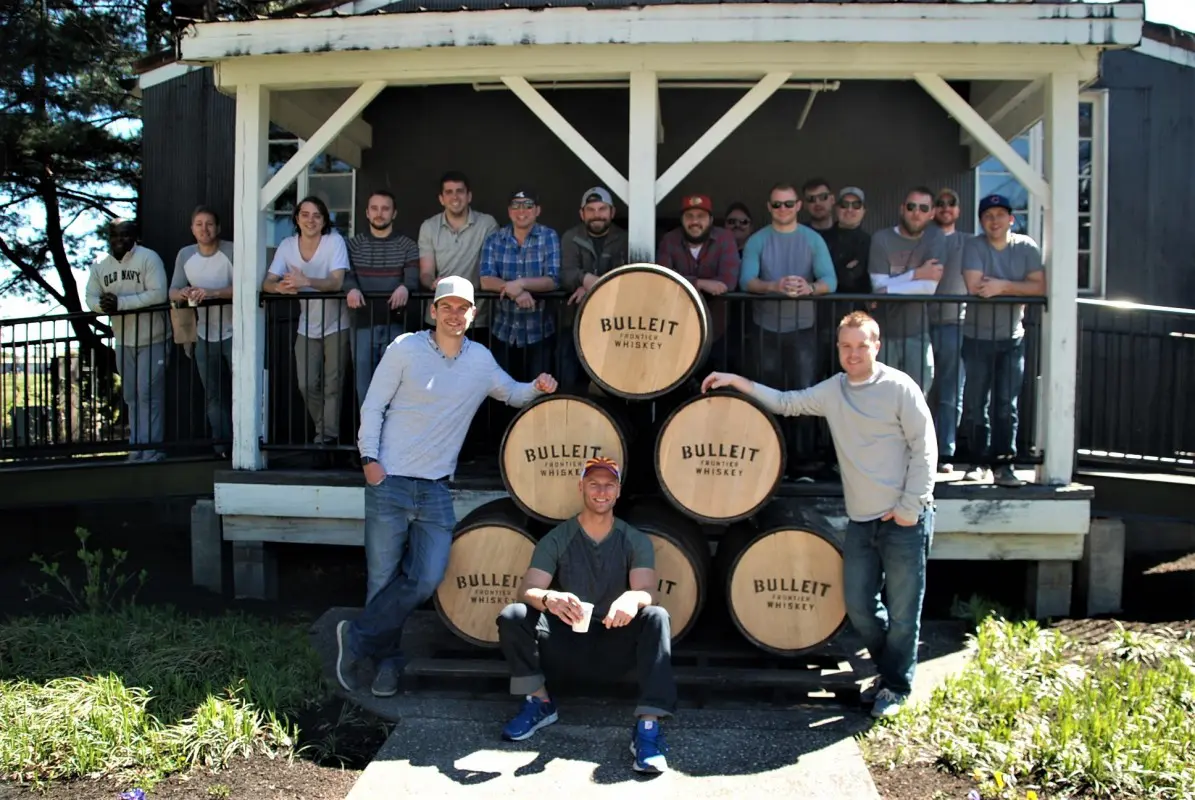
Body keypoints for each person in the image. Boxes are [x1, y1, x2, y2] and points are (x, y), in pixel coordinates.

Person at [701, 310, 936, 718]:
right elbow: (786, 403)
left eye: (862, 345)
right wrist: (737, 381)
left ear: (877, 346)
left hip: (905, 520)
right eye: (846, 346)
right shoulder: (835, 390)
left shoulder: (900, 388)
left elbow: (925, 448)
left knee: (903, 613)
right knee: (860, 606)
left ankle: (896, 686)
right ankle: (890, 670)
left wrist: (909, 508)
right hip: (863, 521)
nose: (853, 353)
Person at [336, 275, 558, 698]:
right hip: (390, 481)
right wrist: (369, 461)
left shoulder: (480, 361)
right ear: (433, 311)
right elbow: (373, 404)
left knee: (426, 577)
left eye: (463, 308)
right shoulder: (405, 349)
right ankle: (387, 664)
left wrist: (537, 387)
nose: (454, 315)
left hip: (436, 488)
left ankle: (358, 638)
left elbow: (510, 393)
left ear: (474, 314)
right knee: (382, 581)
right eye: (447, 307)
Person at [496, 456, 675, 775]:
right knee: (513, 615)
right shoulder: (558, 537)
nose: (601, 491)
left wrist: (633, 599)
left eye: (609, 485)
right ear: (581, 487)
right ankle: (540, 702)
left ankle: (647, 730)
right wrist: (550, 598)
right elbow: (528, 589)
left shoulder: (633, 539)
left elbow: (649, 589)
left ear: (618, 491)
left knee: (656, 616)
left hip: (614, 645)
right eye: (594, 483)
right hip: (567, 642)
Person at [961, 194, 1046, 487]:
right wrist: (1017, 288)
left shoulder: (1026, 247)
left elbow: (1040, 287)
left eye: (1000, 214)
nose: (994, 220)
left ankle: (1004, 465)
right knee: (975, 404)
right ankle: (978, 462)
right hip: (975, 337)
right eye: (987, 215)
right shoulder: (973, 245)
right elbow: (975, 286)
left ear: (1011, 219)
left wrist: (1002, 286)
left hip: (1012, 338)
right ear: (981, 221)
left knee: (1006, 404)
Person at [262, 195, 351, 453]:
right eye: (305, 214)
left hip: (337, 323)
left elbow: (336, 282)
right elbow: (267, 282)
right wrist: (279, 287)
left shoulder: (334, 242)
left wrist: (306, 282)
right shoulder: (288, 245)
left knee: (333, 384)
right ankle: (325, 430)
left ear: (324, 221)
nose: (310, 220)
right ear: (297, 219)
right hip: (306, 325)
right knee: (306, 383)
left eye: (317, 215)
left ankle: (325, 438)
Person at [85, 219, 170, 462]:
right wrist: (102, 307)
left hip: (153, 337)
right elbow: (90, 296)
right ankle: (137, 447)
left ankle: (153, 448)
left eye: (125, 235)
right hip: (123, 340)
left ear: (135, 237)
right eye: (114, 235)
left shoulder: (148, 258)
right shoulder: (100, 264)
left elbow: (158, 293)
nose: (119, 240)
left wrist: (121, 304)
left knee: (149, 393)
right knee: (131, 395)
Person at [344, 189, 421, 408]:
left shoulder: (407, 245)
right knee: (365, 387)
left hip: (396, 324)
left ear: (394, 213)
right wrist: (350, 288)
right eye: (375, 208)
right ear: (367, 213)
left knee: (396, 386)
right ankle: (368, 438)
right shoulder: (353, 245)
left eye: (385, 208)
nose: (380, 213)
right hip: (362, 323)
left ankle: (393, 438)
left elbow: (413, 279)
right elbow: (345, 276)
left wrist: (406, 287)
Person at [867, 186, 947, 395]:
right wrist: (917, 273)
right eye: (911, 206)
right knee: (882, 397)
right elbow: (877, 287)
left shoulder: (935, 238)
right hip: (884, 334)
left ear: (931, 213)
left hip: (917, 334)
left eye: (923, 208)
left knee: (917, 398)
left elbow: (928, 288)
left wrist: (889, 289)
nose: (916, 212)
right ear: (902, 209)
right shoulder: (881, 238)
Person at [169, 206, 234, 458]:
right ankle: (223, 447)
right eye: (198, 224)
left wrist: (212, 293)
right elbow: (172, 290)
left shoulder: (230, 250)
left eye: (209, 224)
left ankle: (247, 442)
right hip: (204, 335)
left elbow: (245, 285)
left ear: (217, 228)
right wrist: (184, 293)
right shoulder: (185, 255)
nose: (204, 229)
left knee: (243, 390)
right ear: (192, 229)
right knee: (213, 395)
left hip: (236, 332)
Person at [479, 188, 561, 382]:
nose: (521, 211)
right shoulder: (495, 239)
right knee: (502, 394)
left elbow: (553, 280)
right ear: (509, 211)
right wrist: (515, 293)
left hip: (539, 332)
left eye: (528, 206)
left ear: (538, 210)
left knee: (538, 392)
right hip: (503, 330)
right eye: (515, 206)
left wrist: (521, 284)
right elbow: (486, 279)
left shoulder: (549, 237)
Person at [558, 187, 628, 390]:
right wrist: (584, 278)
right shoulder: (570, 237)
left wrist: (589, 287)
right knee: (569, 382)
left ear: (612, 212)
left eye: (602, 209)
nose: (597, 214)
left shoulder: (624, 239)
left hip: (614, 325)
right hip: (573, 322)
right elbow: (564, 273)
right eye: (591, 209)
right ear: (582, 213)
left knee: (609, 384)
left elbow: (626, 279)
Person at [418, 171, 499, 336]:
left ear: (469, 196)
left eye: (460, 191)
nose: (455, 197)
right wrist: (432, 283)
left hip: (476, 317)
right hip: (439, 317)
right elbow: (426, 273)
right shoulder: (429, 227)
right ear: (441, 198)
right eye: (449, 192)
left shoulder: (487, 224)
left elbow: (491, 269)